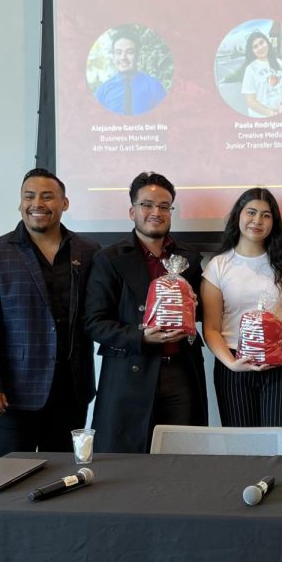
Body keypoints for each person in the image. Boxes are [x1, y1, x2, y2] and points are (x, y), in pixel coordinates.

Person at [0, 168, 100, 456]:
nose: (37, 203)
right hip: (13, 392)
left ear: (64, 203)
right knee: (11, 480)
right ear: (20, 203)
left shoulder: (89, 251)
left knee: (64, 478)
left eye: (47, 196)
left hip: (72, 390)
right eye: (29, 196)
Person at [83, 171, 207, 453]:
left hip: (181, 374)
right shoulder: (109, 259)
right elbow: (94, 323)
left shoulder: (189, 259)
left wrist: (190, 306)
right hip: (129, 372)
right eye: (147, 205)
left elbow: (203, 314)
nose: (156, 212)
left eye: (164, 206)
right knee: (126, 465)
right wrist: (141, 336)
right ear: (132, 211)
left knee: (182, 459)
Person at [201, 188, 282, 426]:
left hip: (280, 365)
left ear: (274, 222)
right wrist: (231, 363)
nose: (257, 221)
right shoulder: (218, 266)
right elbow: (212, 328)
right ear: (238, 215)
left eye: (266, 215)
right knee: (242, 448)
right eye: (251, 212)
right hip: (234, 364)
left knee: (281, 444)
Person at [94, 28, 167, 116]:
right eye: (118, 52)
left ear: (138, 55)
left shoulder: (154, 87)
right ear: (113, 56)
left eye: (129, 52)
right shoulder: (102, 91)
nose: (123, 58)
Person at [239, 32, 282, 118]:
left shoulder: (278, 62)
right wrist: (271, 113)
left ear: (267, 42)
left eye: (261, 42)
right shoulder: (250, 69)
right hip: (261, 117)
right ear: (252, 51)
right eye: (255, 46)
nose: (260, 47)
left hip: (281, 111)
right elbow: (250, 101)